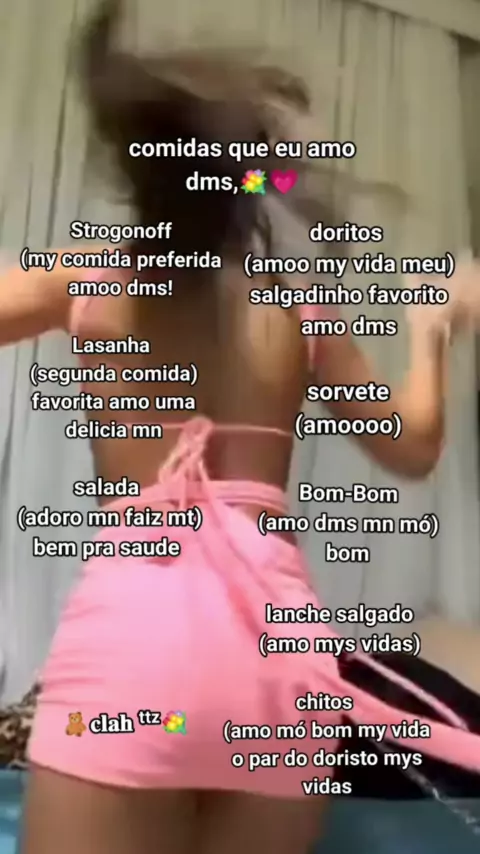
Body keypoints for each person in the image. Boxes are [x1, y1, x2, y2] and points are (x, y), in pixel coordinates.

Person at [2, 1, 478, 852]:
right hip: (277, 669)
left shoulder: (90, 281)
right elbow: (413, 446)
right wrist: (431, 330)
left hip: (137, 656)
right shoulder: (299, 311)